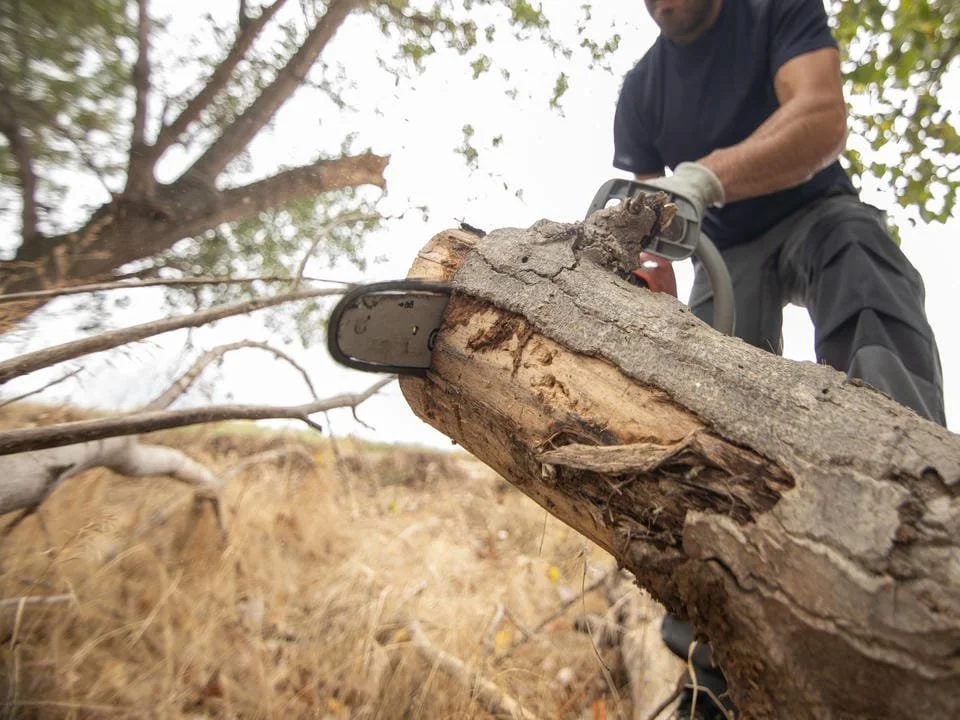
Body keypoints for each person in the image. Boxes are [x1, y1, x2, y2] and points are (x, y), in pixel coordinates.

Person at [611, 0, 947, 717]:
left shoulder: (776, 10)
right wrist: (645, 304)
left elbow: (821, 115)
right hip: (723, 254)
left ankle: (918, 499)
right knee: (697, 394)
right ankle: (714, 657)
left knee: (861, 260)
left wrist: (706, 175)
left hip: (816, 208)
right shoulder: (641, 90)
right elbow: (642, 224)